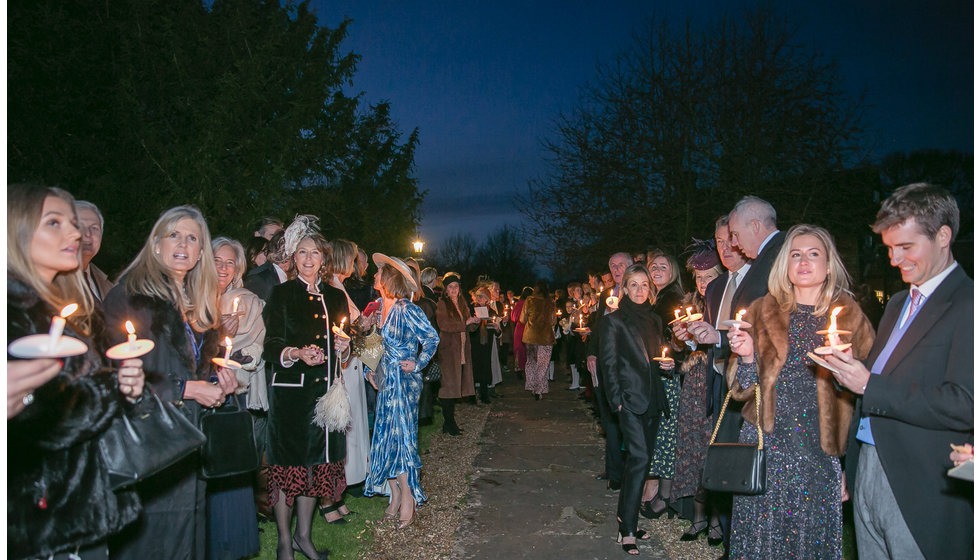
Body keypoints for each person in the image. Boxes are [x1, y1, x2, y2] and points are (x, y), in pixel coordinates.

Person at [825, 184, 973, 559]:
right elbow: (870, 396)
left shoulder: (968, 304)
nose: (894, 259)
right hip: (870, 471)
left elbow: (965, 402)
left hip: (921, 485)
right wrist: (855, 470)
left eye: (906, 247)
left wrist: (867, 384)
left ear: (943, 236)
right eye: (890, 248)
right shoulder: (895, 304)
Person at [8, 184, 144, 560]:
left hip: (74, 508)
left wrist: (124, 386)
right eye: (54, 223)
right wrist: (109, 391)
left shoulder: (57, 307)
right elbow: (46, 414)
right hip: (38, 517)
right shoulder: (13, 312)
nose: (75, 234)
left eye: (74, 223)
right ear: (14, 230)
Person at [725, 224, 875, 559]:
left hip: (818, 455)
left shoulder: (850, 317)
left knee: (811, 544)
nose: (804, 262)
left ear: (828, 264)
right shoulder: (761, 310)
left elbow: (867, 397)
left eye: (813, 254)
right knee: (758, 544)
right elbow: (739, 389)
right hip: (766, 448)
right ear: (785, 264)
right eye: (795, 254)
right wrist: (747, 356)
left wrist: (852, 466)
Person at [104, 205, 237, 560]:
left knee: (186, 539)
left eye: (193, 238)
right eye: (174, 234)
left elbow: (194, 371)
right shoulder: (129, 296)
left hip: (188, 441)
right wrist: (188, 389)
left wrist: (217, 384)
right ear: (157, 243)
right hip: (148, 443)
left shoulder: (197, 306)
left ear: (199, 254)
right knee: (151, 543)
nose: (183, 243)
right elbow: (111, 376)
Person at [261, 216, 351, 560]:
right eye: (302, 253)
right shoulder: (282, 293)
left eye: (315, 253)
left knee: (315, 469)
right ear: (294, 258)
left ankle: (304, 537)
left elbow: (343, 346)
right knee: (289, 470)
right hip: (291, 397)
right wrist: (295, 353)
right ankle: (285, 543)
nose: (309, 259)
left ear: (324, 259)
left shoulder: (335, 298)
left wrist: (345, 348)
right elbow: (271, 346)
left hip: (326, 397)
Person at [597, 264, 670, 555]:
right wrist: (615, 400)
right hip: (627, 400)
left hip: (653, 397)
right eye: (634, 285)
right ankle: (627, 528)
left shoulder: (653, 320)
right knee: (639, 459)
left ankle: (624, 516)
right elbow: (608, 363)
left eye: (644, 285)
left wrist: (668, 363)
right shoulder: (613, 321)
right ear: (624, 289)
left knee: (639, 463)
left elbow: (658, 354)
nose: (640, 290)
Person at [363, 253, 439, 528]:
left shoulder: (408, 309)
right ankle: (394, 495)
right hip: (384, 381)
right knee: (385, 437)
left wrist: (418, 363)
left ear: (389, 278)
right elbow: (372, 344)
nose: (374, 276)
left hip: (404, 382)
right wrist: (368, 370)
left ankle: (408, 497)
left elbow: (431, 338)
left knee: (403, 437)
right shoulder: (377, 307)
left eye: (378, 272)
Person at [207, 236, 263, 560]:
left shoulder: (248, 301)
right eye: (218, 260)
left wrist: (233, 349)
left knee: (231, 473)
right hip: (198, 397)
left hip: (233, 394)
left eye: (230, 262)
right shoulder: (192, 299)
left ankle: (233, 546)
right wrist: (214, 332)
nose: (224, 268)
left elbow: (257, 349)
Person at [670, 240, 723, 541]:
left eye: (709, 277)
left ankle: (716, 519)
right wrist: (682, 340)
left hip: (716, 382)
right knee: (691, 446)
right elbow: (683, 350)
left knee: (712, 449)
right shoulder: (691, 304)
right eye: (700, 278)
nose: (703, 283)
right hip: (693, 384)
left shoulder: (726, 300)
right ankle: (698, 516)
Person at [321, 238, 369, 522]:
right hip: (341, 364)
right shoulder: (333, 288)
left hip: (352, 360)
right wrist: (360, 324)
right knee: (342, 426)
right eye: (352, 258)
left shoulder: (341, 287)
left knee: (352, 425)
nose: (355, 264)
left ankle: (340, 491)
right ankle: (332, 495)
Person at [641, 249, 685, 518]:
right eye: (653, 267)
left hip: (668, 373)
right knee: (659, 435)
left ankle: (664, 496)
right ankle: (657, 490)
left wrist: (671, 350)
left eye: (663, 266)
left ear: (673, 271)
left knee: (667, 435)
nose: (657, 270)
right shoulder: (655, 297)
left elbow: (678, 340)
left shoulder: (673, 298)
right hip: (657, 372)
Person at [587, 252, 632, 490]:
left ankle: (625, 473)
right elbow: (598, 328)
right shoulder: (606, 294)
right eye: (612, 265)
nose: (616, 269)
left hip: (625, 366)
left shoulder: (636, 292)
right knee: (608, 418)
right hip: (604, 363)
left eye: (621, 265)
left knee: (624, 420)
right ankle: (613, 472)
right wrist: (591, 353)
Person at [435, 272, 479, 435]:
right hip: (448, 351)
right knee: (448, 388)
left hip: (462, 350)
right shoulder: (442, 304)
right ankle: (449, 423)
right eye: (450, 287)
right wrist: (464, 323)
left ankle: (450, 423)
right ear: (446, 290)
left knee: (456, 387)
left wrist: (474, 322)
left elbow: (468, 327)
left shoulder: (463, 304)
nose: (453, 289)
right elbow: (444, 325)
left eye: (456, 286)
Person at [520, 279, 557, 401]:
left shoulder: (529, 300)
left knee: (531, 361)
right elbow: (553, 321)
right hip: (545, 337)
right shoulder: (551, 302)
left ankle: (531, 385)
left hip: (530, 336)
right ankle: (539, 389)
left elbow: (522, 319)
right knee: (543, 364)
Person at [75, 200, 115, 301]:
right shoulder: (47, 281)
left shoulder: (108, 287)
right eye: (79, 227)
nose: (88, 233)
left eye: (94, 228)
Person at [468, 285, 497, 403]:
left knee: (485, 367)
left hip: (486, 343)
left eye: (483, 296)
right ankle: (471, 396)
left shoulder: (492, 311)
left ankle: (484, 394)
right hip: (474, 341)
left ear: (487, 299)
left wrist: (497, 326)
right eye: (478, 296)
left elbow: (497, 329)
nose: (479, 298)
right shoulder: (470, 309)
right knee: (473, 367)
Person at [245, 229, 289, 302]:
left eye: (268, 251)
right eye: (265, 252)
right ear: (252, 255)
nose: (268, 255)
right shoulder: (255, 280)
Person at [510, 286, 532, 378]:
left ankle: (519, 368)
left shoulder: (519, 304)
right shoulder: (531, 304)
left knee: (519, 348)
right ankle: (528, 369)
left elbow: (513, 317)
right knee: (528, 349)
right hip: (529, 327)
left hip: (520, 327)